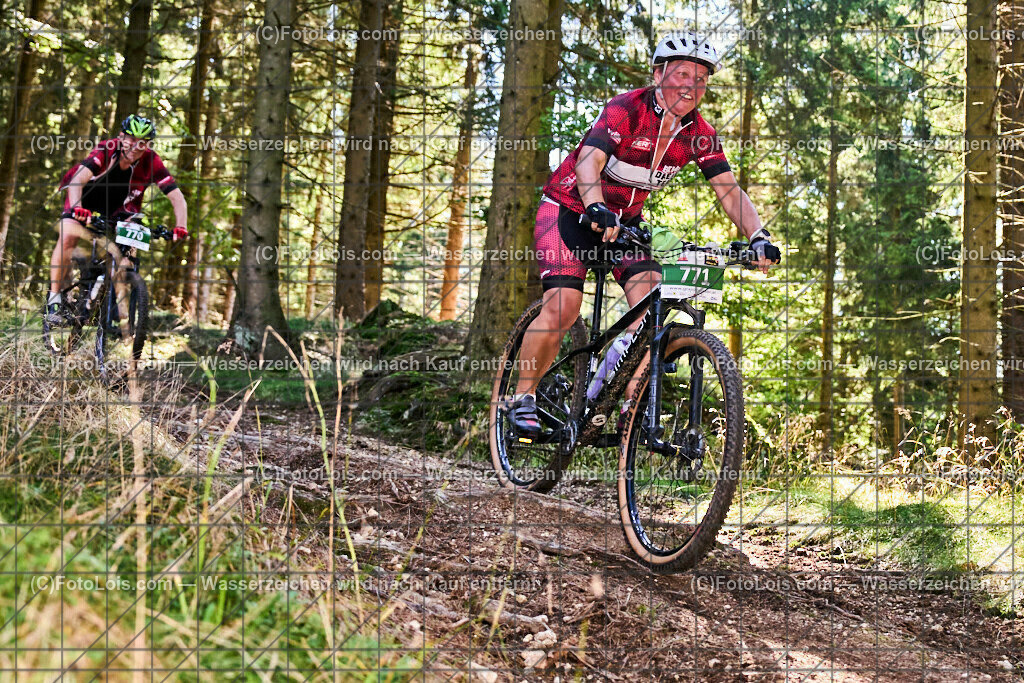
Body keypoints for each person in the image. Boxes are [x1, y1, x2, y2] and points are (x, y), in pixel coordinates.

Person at [510, 32, 782, 436]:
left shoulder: (698, 132)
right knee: (565, 305)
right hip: (570, 210)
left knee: (653, 309)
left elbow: (728, 189)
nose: (692, 86)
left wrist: (758, 234)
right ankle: (522, 398)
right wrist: (596, 206)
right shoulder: (627, 109)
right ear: (658, 75)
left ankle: (613, 406)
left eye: (701, 79)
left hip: (625, 224)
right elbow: (589, 162)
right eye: (682, 74)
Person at [45, 114, 189, 325]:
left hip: (119, 207)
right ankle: (55, 299)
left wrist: (180, 227)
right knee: (68, 235)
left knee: (130, 246)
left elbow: (177, 198)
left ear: (148, 144)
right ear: (121, 137)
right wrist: (77, 208)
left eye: (142, 142)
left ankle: (109, 303)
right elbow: (77, 181)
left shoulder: (151, 160)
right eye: (131, 139)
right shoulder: (107, 149)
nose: (135, 146)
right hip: (84, 197)